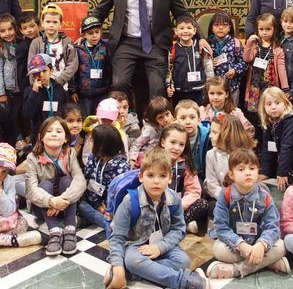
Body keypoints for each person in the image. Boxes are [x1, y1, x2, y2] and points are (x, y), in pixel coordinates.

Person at [91, 0, 208, 100]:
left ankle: (152, 123)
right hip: (125, 43)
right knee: (119, 83)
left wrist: (200, 37)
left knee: (157, 87)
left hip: (155, 43)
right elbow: (101, 10)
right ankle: (125, 121)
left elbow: (182, 13)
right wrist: (84, 30)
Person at [104, 147, 210, 289]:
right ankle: (185, 282)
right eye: (150, 175)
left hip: (162, 244)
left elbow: (179, 230)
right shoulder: (130, 201)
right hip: (136, 247)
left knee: (183, 261)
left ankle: (130, 272)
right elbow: (117, 237)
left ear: (170, 178)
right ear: (141, 177)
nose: (156, 181)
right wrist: (117, 264)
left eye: (162, 176)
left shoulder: (174, 199)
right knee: (132, 260)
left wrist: (160, 247)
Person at [207, 148, 288, 279]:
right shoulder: (225, 195)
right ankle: (268, 263)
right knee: (218, 249)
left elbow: (273, 226)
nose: (248, 173)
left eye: (252, 168)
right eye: (241, 169)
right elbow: (221, 227)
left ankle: (237, 270)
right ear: (231, 175)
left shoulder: (265, 195)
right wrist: (240, 244)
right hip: (236, 245)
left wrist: (261, 245)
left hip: (258, 243)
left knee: (281, 246)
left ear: (258, 172)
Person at [25, 116, 86, 256]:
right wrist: (52, 201)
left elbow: (80, 180)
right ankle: (54, 231)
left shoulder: (70, 153)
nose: (53, 134)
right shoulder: (32, 158)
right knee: (44, 184)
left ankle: (70, 228)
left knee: (67, 181)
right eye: (49, 131)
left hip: (65, 204)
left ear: (65, 138)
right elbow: (30, 189)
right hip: (42, 207)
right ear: (41, 137)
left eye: (59, 131)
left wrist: (63, 200)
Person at [78, 124, 130, 238]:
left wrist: (107, 207)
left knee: (117, 215)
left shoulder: (121, 166)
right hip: (94, 202)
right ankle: (103, 221)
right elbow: (88, 178)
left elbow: (119, 193)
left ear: (103, 146)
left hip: (111, 208)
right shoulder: (93, 158)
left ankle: (109, 225)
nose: (89, 143)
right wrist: (97, 205)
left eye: (92, 141)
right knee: (80, 205)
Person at [243, 13, 288, 136]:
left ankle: (268, 139)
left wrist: (285, 88)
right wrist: (248, 43)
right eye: (261, 29)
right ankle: (257, 139)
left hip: (270, 86)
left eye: (268, 29)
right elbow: (247, 58)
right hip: (255, 86)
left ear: (274, 30)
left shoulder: (277, 48)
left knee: (269, 113)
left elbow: (281, 68)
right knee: (255, 114)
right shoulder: (255, 46)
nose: (264, 32)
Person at [159, 123, 208, 234]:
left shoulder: (185, 164)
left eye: (181, 144)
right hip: (157, 206)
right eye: (172, 142)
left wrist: (179, 206)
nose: (177, 148)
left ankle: (177, 224)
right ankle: (178, 226)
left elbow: (194, 191)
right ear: (163, 142)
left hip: (178, 207)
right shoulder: (153, 160)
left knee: (202, 204)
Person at [258, 87, 293, 191]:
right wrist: (265, 172)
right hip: (279, 162)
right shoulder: (268, 120)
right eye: (269, 104)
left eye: (277, 103)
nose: (273, 107)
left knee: (287, 188)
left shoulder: (290, 120)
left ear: (285, 103)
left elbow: (287, 147)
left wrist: (282, 172)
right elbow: (267, 148)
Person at [204, 114, 254, 204]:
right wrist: (228, 198)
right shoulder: (211, 155)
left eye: (214, 132)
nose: (210, 136)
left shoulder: (246, 155)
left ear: (227, 135)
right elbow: (212, 186)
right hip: (220, 198)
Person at [28, 3, 78, 90]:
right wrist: (37, 82)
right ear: (42, 23)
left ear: (61, 24)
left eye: (55, 22)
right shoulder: (36, 43)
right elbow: (31, 65)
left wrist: (58, 82)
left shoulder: (67, 42)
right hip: (41, 86)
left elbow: (72, 64)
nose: (51, 25)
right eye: (48, 21)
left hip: (61, 87)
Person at [167, 14, 214, 105]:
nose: (185, 31)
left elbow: (208, 67)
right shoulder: (172, 50)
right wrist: (169, 85)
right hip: (179, 91)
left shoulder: (201, 48)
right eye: (181, 28)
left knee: (199, 114)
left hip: (199, 90)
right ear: (176, 31)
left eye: (189, 28)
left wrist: (210, 85)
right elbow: (169, 70)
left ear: (194, 30)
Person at [70, 16, 112, 118]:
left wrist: (111, 87)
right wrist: (73, 90)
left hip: (103, 92)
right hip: (85, 94)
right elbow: (74, 71)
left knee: (101, 117)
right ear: (83, 34)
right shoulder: (78, 49)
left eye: (97, 32)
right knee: (86, 118)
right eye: (90, 33)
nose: (94, 36)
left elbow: (110, 68)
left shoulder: (105, 47)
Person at [22, 54, 68, 143]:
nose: (41, 75)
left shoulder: (59, 89)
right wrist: (34, 92)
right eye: (36, 73)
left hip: (57, 132)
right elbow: (27, 114)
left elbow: (65, 109)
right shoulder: (29, 91)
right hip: (39, 134)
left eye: (44, 71)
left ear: (51, 70)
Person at [0, 14, 24, 146]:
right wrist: (1, 92)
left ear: (16, 28)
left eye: (10, 29)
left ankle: (25, 136)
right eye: (2, 31)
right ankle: (17, 139)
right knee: (12, 115)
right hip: (10, 87)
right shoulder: (1, 47)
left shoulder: (23, 42)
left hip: (23, 84)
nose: (7, 33)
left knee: (23, 113)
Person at [207, 10, 247, 105]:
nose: (220, 27)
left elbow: (244, 62)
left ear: (229, 28)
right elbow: (200, 64)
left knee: (232, 114)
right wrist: (209, 64)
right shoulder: (207, 44)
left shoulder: (236, 43)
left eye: (224, 25)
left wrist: (235, 70)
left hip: (232, 86)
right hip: (213, 89)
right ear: (212, 28)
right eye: (217, 25)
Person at [129, 96, 174, 167]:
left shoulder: (174, 126)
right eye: (160, 117)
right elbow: (136, 144)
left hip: (163, 159)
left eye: (167, 114)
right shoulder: (150, 130)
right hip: (147, 158)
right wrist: (132, 159)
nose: (166, 119)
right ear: (155, 119)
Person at [174, 99, 210, 180]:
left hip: (205, 176)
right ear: (176, 121)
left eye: (192, 117)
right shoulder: (173, 137)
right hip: (184, 177)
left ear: (199, 119)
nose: (188, 122)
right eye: (183, 118)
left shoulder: (208, 136)